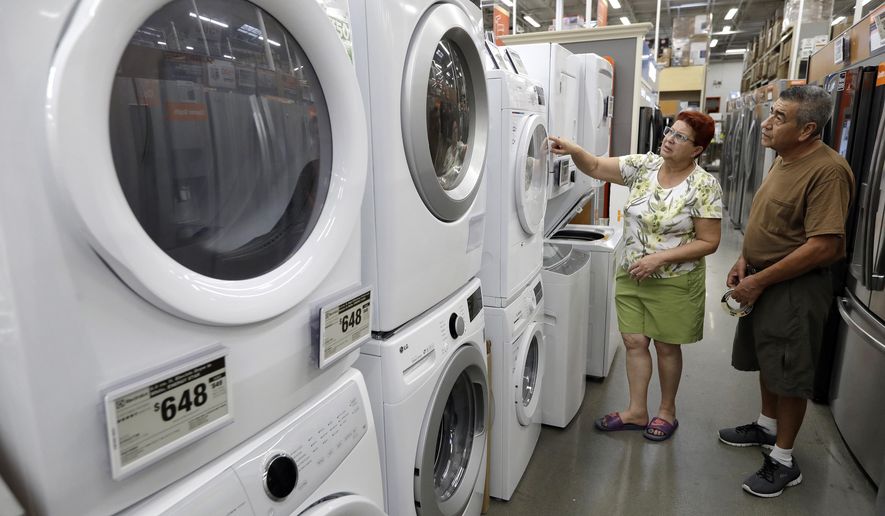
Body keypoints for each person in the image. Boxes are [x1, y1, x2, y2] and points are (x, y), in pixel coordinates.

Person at [549, 111, 722, 442]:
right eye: (671, 132)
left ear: (697, 149)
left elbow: (709, 242)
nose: (669, 138)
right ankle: (636, 411)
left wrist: (659, 259)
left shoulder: (704, 185)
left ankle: (667, 411)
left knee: (667, 348)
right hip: (633, 274)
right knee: (633, 342)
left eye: (681, 137)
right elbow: (597, 167)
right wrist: (574, 150)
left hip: (674, 279)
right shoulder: (645, 166)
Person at [718, 85, 853, 498]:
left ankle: (783, 460)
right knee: (769, 361)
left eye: (778, 117)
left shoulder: (827, 171)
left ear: (807, 128)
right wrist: (745, 259)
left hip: (793, 289)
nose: (766, 122)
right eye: (771, 113)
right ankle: (766, 426)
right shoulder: (784, 158)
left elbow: (823, 245)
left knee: (790, 373)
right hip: (763, 278)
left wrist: (760, 280)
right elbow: (768, 219)